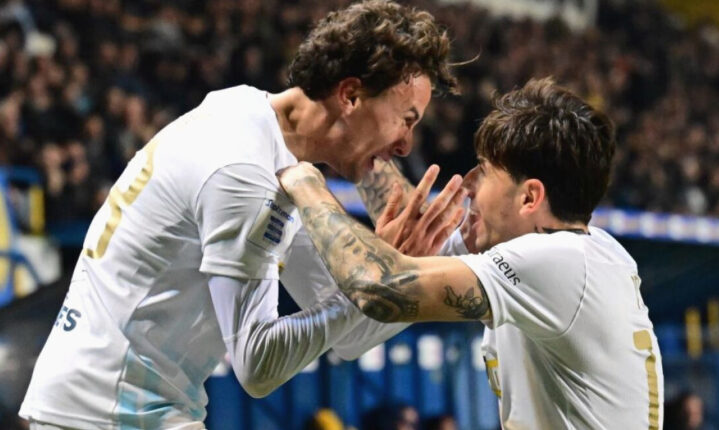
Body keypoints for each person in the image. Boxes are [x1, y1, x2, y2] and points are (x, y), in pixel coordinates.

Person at [19, 1, 462, 429]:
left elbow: (347, 335)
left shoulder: (259, 132)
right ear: (350, 95)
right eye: (406, 119)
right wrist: (369, 283)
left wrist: (394, 279)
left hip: (126, 404)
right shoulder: (242, 168)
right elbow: (257, 366)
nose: (406, 144)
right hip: (104, 410)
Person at [278, 77, 665, 429]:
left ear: (529, 197)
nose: (468, 185)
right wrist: (363, 149)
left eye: (484, 171)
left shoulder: (558, 262)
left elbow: (381, 286)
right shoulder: (576, 255)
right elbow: (417, 229)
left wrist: (305, 182)